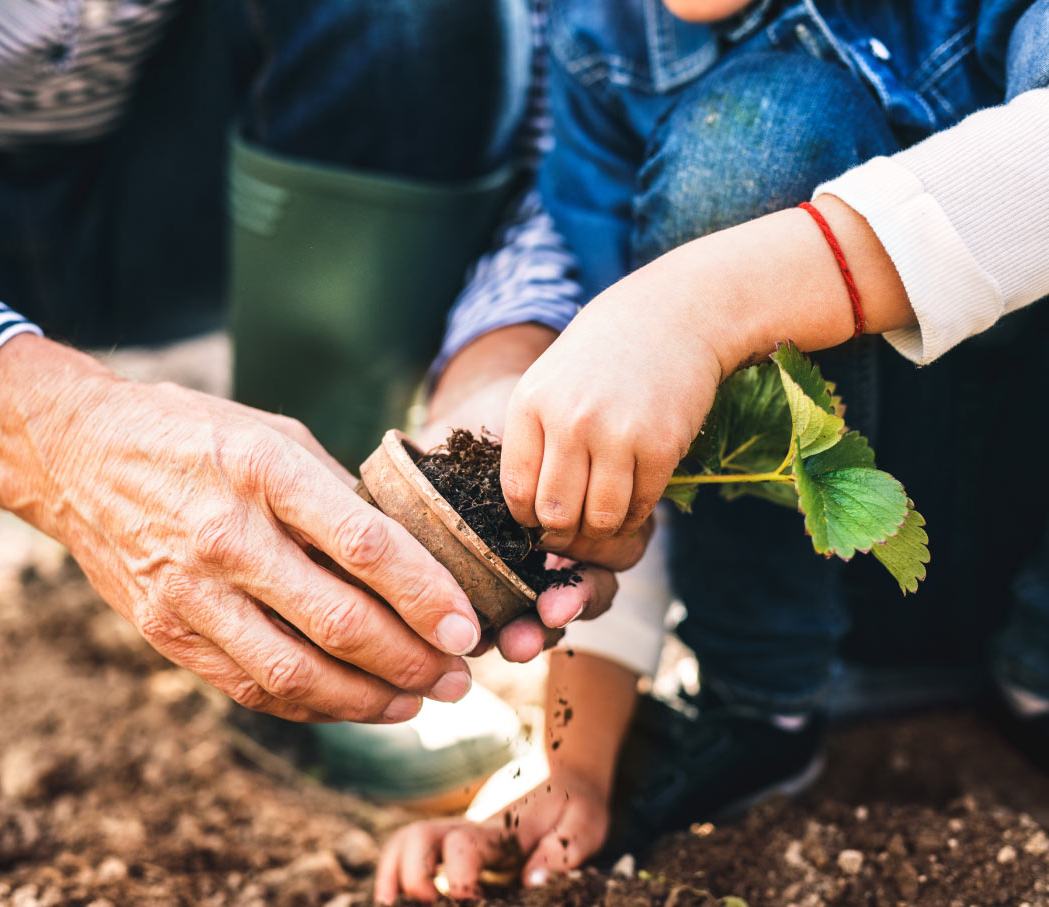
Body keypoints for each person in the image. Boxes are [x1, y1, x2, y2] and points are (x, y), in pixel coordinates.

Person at [0, 0, 628, 727]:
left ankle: (330, 574)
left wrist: (505, 347)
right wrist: (55, 434)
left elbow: (559, 71)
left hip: (190, 170)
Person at [374, 0, 1049, 899]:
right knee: (757, 134)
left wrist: (704, 303)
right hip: (827, 602)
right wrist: (575, 762)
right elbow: (615, 419)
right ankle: (757, 703)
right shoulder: (602, 48)